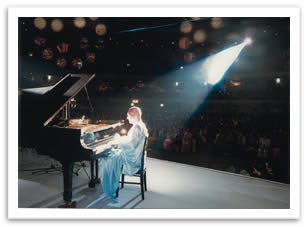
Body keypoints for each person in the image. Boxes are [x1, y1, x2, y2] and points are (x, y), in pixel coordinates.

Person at [98, 106, 148, 201]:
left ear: (134, 116)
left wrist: (116, 141)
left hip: (132, 159)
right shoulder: (140, 125)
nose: (127, 118)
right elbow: (131, 141)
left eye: (128, 115)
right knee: (111, 153)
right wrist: (119, 139)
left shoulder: (137, 127)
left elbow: (132, 146)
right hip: (135, 155)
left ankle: (109, 183)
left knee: (108, 158)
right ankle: (106, 180)